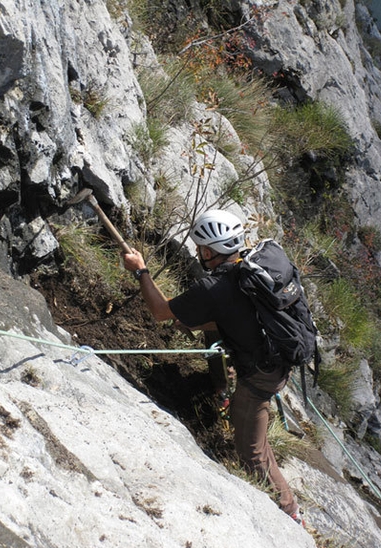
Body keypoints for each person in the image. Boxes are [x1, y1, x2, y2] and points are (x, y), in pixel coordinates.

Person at [123, 209, 303, 524]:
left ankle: (288, 513)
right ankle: (223, 391)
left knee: (250, 450)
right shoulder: (253, 267)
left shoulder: (214, 288)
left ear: (208, 252)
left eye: (199, 248)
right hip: (278, 357)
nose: (197, 253)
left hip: (261, 375)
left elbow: (160, 312)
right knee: (253, 430)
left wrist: (141, 272)